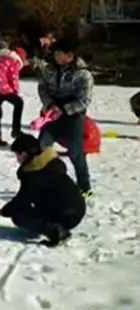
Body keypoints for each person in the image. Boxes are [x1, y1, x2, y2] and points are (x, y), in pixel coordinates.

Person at [0, 134, 86, 247]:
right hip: (74, 209)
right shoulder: (47, 163)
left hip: (67, 215)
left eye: (17, 155)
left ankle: (56, 231)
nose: (17, 159)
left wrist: (6, 210)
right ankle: (52, 226)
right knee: (23, 208)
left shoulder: (36, 174)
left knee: (19, 216)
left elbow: (22, 199)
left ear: (24, 154)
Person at [37, 38, 94, 198]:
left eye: (58, 52)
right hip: (52, 114)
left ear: (69, 55)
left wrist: (64, 109)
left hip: (73, 116)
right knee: (43, 146)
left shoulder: (83, 74)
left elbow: (84, 100)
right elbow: (42, 87)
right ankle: (43, 183)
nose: (55, 55)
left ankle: (84, 187)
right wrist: (49, 105)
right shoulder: (50, 69)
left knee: (76, 152)